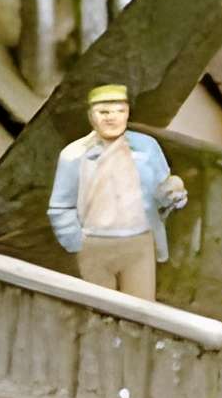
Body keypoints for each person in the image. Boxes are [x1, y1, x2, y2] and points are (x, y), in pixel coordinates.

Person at [44, 83, 187, 302]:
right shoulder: (73, 155)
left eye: (120, 111)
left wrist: (172, 193)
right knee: (99, 309)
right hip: (96, 244)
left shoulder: (147, 148)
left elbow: (161, 190)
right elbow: (60, 206)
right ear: (91, 115)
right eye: (104, 112)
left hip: (138, 243)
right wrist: (76, 241)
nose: (112, 118)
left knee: (141, 309)